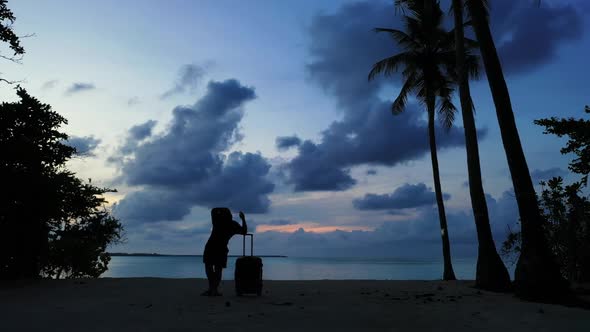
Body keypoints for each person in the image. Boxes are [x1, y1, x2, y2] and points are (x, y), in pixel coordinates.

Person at [202, 207, 247, 296]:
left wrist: (222, 210)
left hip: (213, 247)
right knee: (215, 268)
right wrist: (243, 219)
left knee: (212, 268)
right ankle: (213, 289)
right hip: (218, 248)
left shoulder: (218, 220)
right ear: (229, 216)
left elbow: (213, 210)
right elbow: (244, 231)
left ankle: (213, 289)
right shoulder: (230, 224)